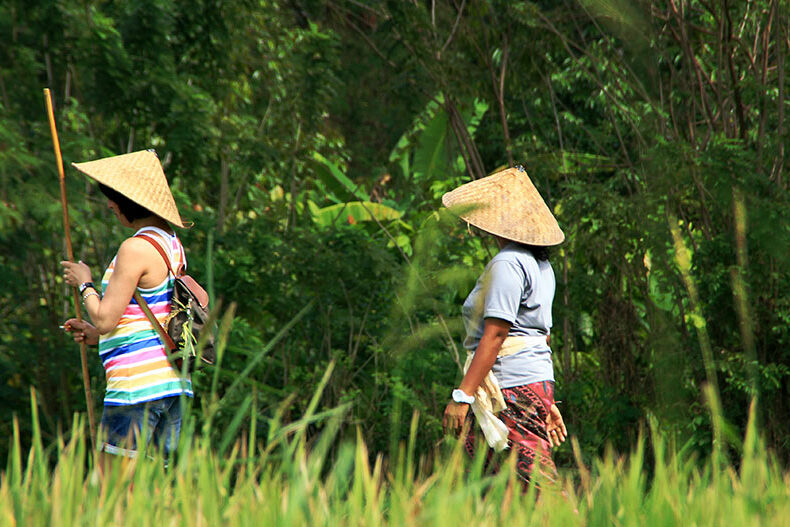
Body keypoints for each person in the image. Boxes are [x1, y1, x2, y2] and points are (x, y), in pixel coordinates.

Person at [61, 149, 192, 461]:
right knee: (151, 489)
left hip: (137, 387)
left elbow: (106, 318)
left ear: (128, 202)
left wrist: (84, 283)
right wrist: (97, 336)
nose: (110, 205)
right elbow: (148, 313)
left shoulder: (134, 248)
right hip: (172, 386)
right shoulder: (171, 243)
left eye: (113, 199)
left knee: (114, 492)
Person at [441, 165, 567, 488]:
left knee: (538, 489)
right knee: (493, 487)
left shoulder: (508, 263)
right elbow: (541, 336)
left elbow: (496, 335)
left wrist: (462, 395)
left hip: (511, 390)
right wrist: (545, 401)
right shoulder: (542, 267)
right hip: (530, 384)